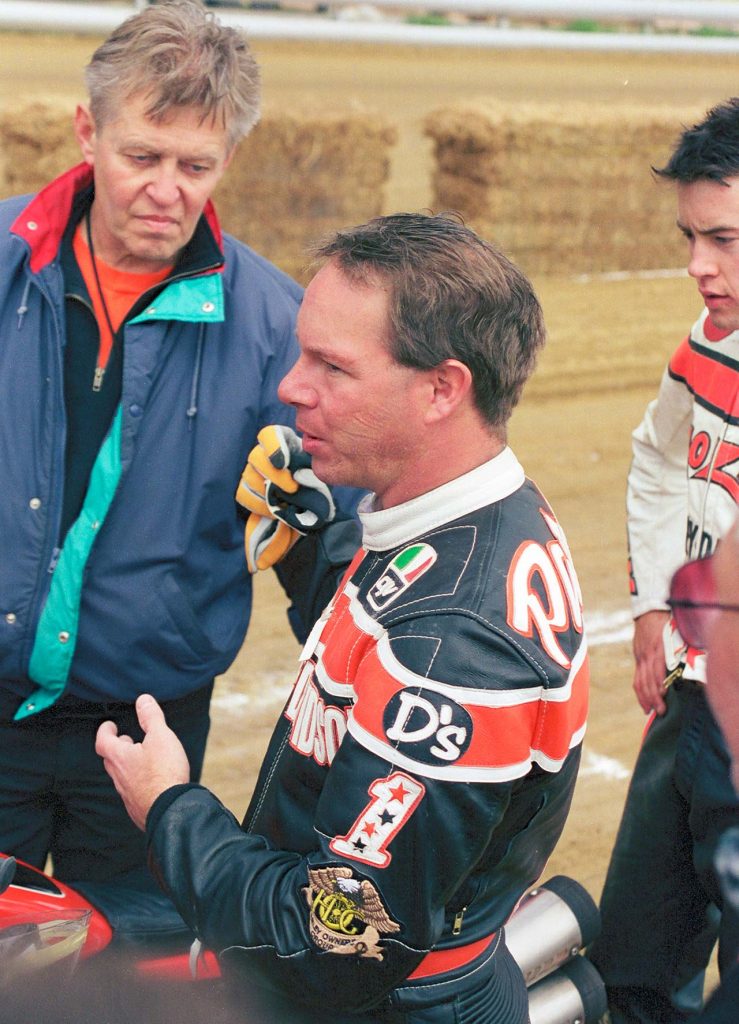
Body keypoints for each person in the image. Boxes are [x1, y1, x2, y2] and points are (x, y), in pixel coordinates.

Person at [95, 212, 590, 1023]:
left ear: (442, 389)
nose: (292, 386)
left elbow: (334, 942)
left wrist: (171, 808)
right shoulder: (458, 515)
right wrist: (313, 550)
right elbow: (379, 668)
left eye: (332, 366)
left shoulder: (455, 647)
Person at [0, 0, 356, 888]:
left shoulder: (278, 329)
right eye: (142, 156)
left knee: (117, 984)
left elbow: (330, 544)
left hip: (144, 737)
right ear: (88, 131)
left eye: (195, 165)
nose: (167, 190)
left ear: (228, 158)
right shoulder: (4, 261)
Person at [587, 99, 739, 1023]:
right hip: (688, 714)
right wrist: (651, 604)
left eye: (721, 239)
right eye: (688, 237)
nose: (696, 266)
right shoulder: (704, 347)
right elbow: (653, 454)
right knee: (628, 971)